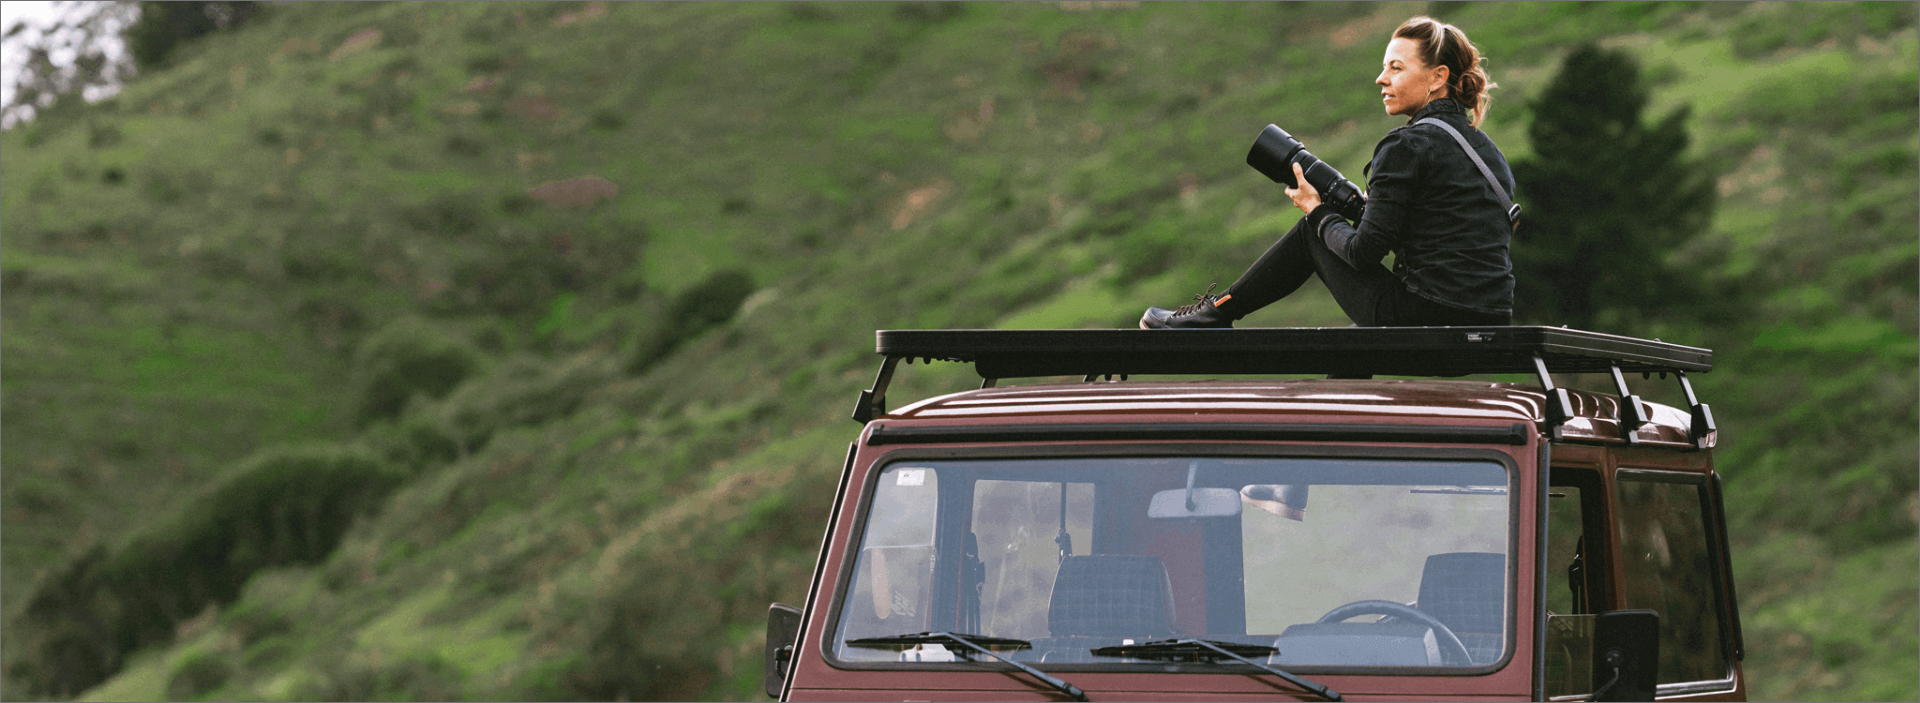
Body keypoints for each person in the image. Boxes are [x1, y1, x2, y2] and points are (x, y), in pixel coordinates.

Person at [1141, 16, 1515, 329]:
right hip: (1490, 319)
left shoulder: (1406, 146)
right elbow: (1450, 240)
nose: (1380, 79)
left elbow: (1362, 254)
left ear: (1438, 77)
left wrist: (1316, 210)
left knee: (1311, 234)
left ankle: (1214, 315)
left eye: (1395, 68)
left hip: (1427, 317)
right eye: (1384, 67)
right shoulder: (1487, 152)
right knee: (1352, 346)